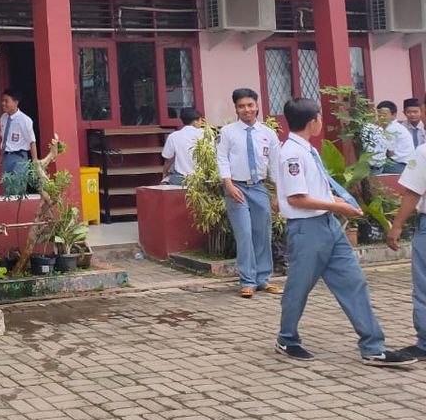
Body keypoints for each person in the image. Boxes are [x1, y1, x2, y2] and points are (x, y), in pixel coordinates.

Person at [273, 97, 416, 367]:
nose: (321, 122)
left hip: (328, 225)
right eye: (319, 117)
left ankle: (373, 347)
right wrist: (341, 209)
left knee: (353, 282)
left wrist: (338, 203)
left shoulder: (307, 150)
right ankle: (287, 338)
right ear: (312, 121)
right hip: (307, 230)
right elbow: (296, 199)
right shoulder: (293, 153)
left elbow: (314, 191)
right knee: (298, 288)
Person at [216, 88, 281, 298]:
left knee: (262, 234)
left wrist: (278, 194)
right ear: (235, 108)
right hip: (237, 187)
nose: (247, 110)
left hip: (259, 187)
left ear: (257, 105)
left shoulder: (268, 133)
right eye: (241, 106)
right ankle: (247, 281)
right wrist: (229, 185)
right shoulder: (228, 132)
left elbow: (275, 165)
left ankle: (263, 279)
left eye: (250, 105)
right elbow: (222, 159)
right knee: (244, 234)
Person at [384, 140, 426, 359]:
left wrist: (397, 225)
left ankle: (425, 344)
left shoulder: (424, 151)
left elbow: (412, 192)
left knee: (424, 285)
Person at [0, 89, 37, 179]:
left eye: (6, 101)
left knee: (18, 186)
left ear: (15, 102)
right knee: (7, 186)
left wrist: (35, 163)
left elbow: (32, 142)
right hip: (6, 157)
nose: (3, 103)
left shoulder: (24, 120)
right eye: (2, 100)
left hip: (19, 157)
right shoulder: (3, 118)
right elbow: (4, 139)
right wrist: (1, 156)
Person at [162, 107, 204, 187]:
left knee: (165, 183)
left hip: (181, 179)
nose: (201, 123)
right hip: (203, 178)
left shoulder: (173, 136)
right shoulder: (207, 135)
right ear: (196, 121)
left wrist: (165, 172)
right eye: (201, 120)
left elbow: (168, 159)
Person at [374, 100, 414, 174]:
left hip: (402, 166)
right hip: (404, 164)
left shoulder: (392, 128)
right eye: (379, 115)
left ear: (394, 115)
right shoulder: (393, 126)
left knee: (373, 165)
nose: (381, 117)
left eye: (384, 114)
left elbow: (390, 153)